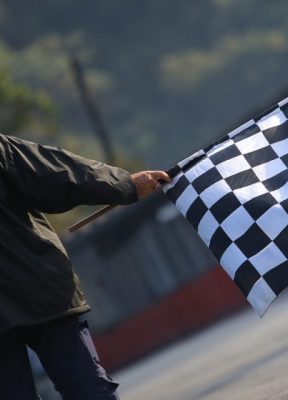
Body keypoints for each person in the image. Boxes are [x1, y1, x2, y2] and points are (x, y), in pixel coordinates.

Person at [0, 133, 170, 399]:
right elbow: (58, 176)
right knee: (87, 388)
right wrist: (125, 184)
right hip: (39, 288)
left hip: (39, 291)